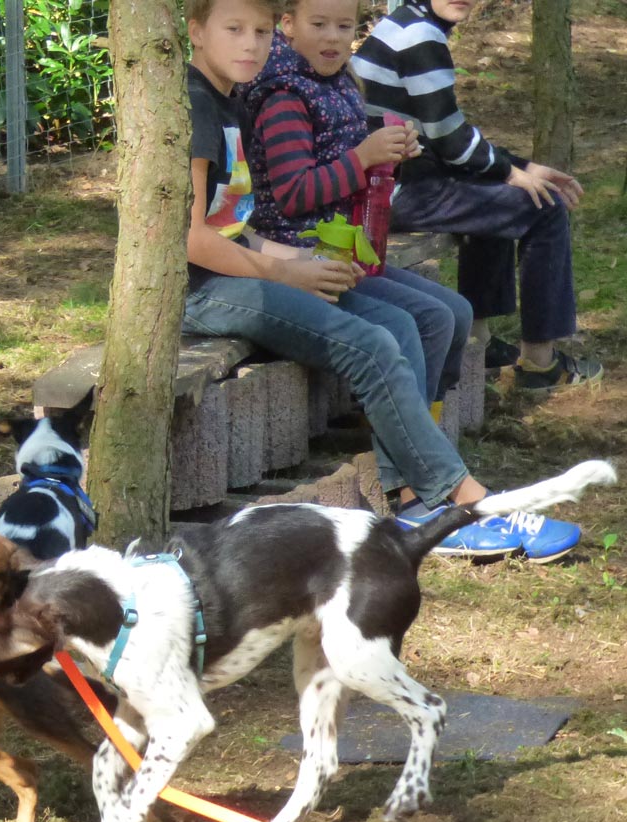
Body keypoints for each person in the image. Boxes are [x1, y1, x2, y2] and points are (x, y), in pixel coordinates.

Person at [182, 0, 581, 560]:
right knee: (373, 344)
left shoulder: (228, 98)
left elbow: (234, 225)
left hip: (246, 265)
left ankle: (414, 490)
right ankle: (462, 502)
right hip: (201, 292)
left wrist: (294, 263)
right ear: (196, 31)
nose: (250, 44)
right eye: (234, 30)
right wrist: (283, 270)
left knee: (416, 317)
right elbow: (192, 242)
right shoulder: (198, 108)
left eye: (260, 32)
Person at [351, 0, 603, 390]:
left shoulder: (407, 24)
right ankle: (540, 364)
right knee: (544, 207)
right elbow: (450, 141)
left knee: (498, 193)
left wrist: (520, 168)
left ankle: (480, 345)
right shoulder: (419, 36)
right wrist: (511, 171)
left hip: (390, 182)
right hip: (389, 192)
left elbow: (445, 133)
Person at [242, 0, 472, 404]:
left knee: (458, 312)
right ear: (288, 25)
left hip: (347, 250)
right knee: (431, 319)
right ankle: (410, 448)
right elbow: (293, 194)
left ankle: (419, 427)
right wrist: (364, 157)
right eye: (319, 24)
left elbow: (352, 171)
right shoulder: (284, 96)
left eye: (344, 26)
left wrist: (391, 157)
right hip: (302, 256)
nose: (333, 36)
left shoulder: (338, 82)